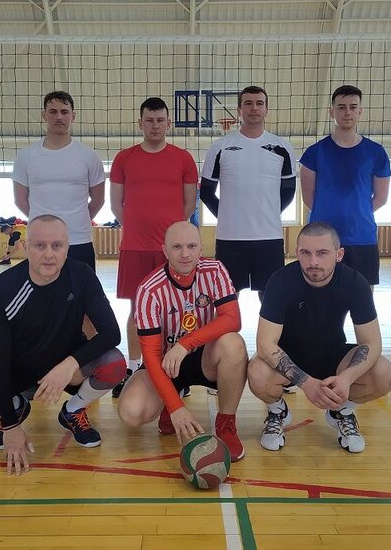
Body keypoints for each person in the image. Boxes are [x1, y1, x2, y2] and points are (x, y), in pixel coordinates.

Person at [0, 215, 126, 476]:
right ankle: (14, 406)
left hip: (65, 370)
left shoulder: (81, 275)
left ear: (67, 247)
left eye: (57, 245)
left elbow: (111, 333)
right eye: (40, 246)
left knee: (114, 363)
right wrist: (10, 426)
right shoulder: (3, 288)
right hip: (18, 369)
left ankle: (73, 411)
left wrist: (68, 365)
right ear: (25, 247)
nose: (49, 254)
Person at [247, 221, 391, 454]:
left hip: (334, 355)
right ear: (297, 253)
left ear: (339, 254)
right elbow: (265, 344)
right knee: (256, 371)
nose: (313, 261)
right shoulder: (280, 281)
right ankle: (277, 411)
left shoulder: (355, 283)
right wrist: (307, 383)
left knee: (384, 374)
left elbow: (372, 343)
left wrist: (346, 379)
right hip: (290, 355)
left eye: (322, 253)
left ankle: (341, 411)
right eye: (305, 253)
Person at [118, 221, 247, 461]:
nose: (185, 254)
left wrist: (185, 344)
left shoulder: (215, 270)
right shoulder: (148, 290)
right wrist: (176, 407)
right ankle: (169, 403)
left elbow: (233, 319)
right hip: (165, 363)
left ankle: (226, 423)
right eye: (177, 247)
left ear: (201, 248)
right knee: (131, 412)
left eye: (191, 246)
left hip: (203, 357)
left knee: (233, 344)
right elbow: (151, 356)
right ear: (165, 251)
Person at [110, 97, 198, 397]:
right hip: (135, 248)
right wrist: (138, 229)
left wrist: (171, 240)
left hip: (172, 252)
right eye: (149, 120)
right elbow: (117, 205)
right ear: (140, 123)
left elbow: (188, 206)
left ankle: (176, 369)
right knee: (137, 309)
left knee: (176, 310)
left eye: (160, 120)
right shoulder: (124, 158)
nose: (155, 125)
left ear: (169, 123)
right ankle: (135, 367)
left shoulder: (183, 159)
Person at [200, 85, 297, 302]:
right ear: (239, 110)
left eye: (259, 103)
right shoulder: (220, 147)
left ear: (266, 109)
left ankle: (269, 329)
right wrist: (227, 216)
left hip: (269, 238)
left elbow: (289, 191)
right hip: (230, 238)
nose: (254, 108)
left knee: (271, 298)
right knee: (227, 298)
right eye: (248, 103)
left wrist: (268, 213)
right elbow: (206, 192)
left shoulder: (283, 147)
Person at [299, 85, 391, 288]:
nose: (347, 112)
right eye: (341, 107)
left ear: (360, 111)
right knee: (322, 300)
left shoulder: (376, 153)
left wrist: (356, 212)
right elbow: (308, 198)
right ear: (331, 112)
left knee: (363, 299)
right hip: (323, 241)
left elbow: (381, 198)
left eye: (352, 107)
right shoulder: (314, 153)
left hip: (362, 238)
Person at [12, 90, 105, 270]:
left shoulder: (89, 156)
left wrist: (77, 220)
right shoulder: (26, 155)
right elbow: (20, 200)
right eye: (53, 111)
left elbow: (98, 200)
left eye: (64, 112)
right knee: (41, 289)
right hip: (40, 241)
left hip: (78, 240)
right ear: (44, 115)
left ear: (73, 116)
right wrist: (44, 224)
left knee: (81, 288)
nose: (59, 117)